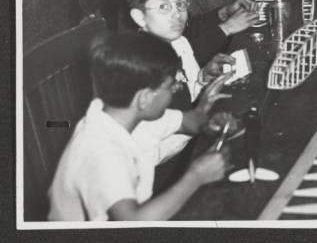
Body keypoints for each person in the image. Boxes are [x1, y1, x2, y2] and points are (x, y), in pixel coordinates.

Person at [48, 31, 231, 221]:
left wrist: (212, 124)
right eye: (171, 85)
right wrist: (196, 176)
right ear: (145, 98)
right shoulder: (102, 151)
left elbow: (188, 120)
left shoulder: (124, 113)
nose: (177, 87)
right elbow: (132, 222)